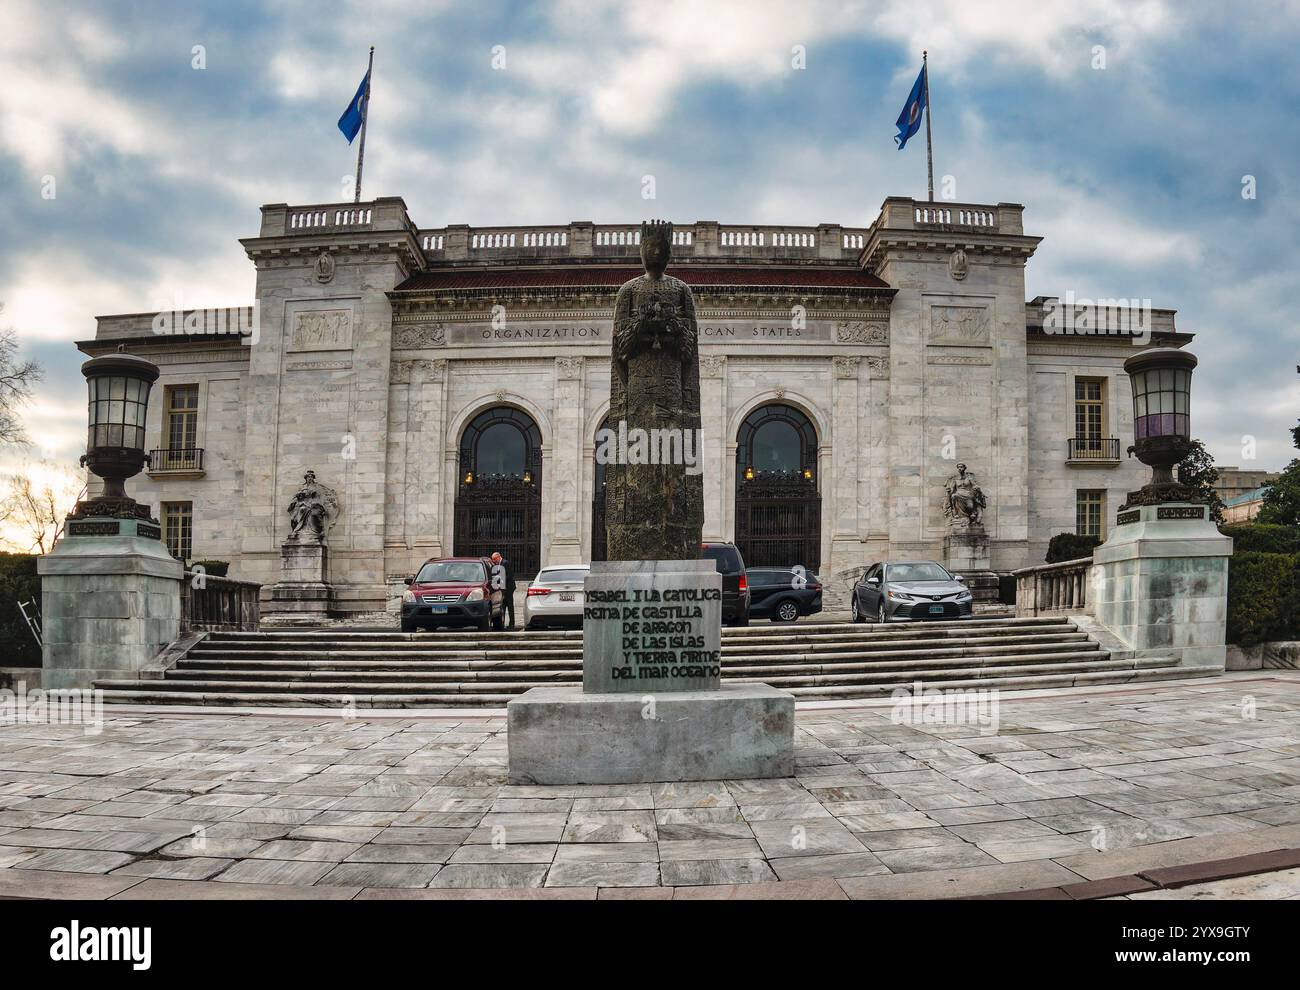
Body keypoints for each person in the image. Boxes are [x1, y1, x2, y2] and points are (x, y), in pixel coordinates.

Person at [490, 551, 516, 629]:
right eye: (493, 559)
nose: (494, 561)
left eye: (494, 559)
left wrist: (500, 579)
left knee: (510, 606)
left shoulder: (505, 563)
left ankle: (512, 624)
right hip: (502, 588)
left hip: (508, 588)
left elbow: (510, 575)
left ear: (498, 557)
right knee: (503, 606)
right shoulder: (497, 565)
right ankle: (502, 623)